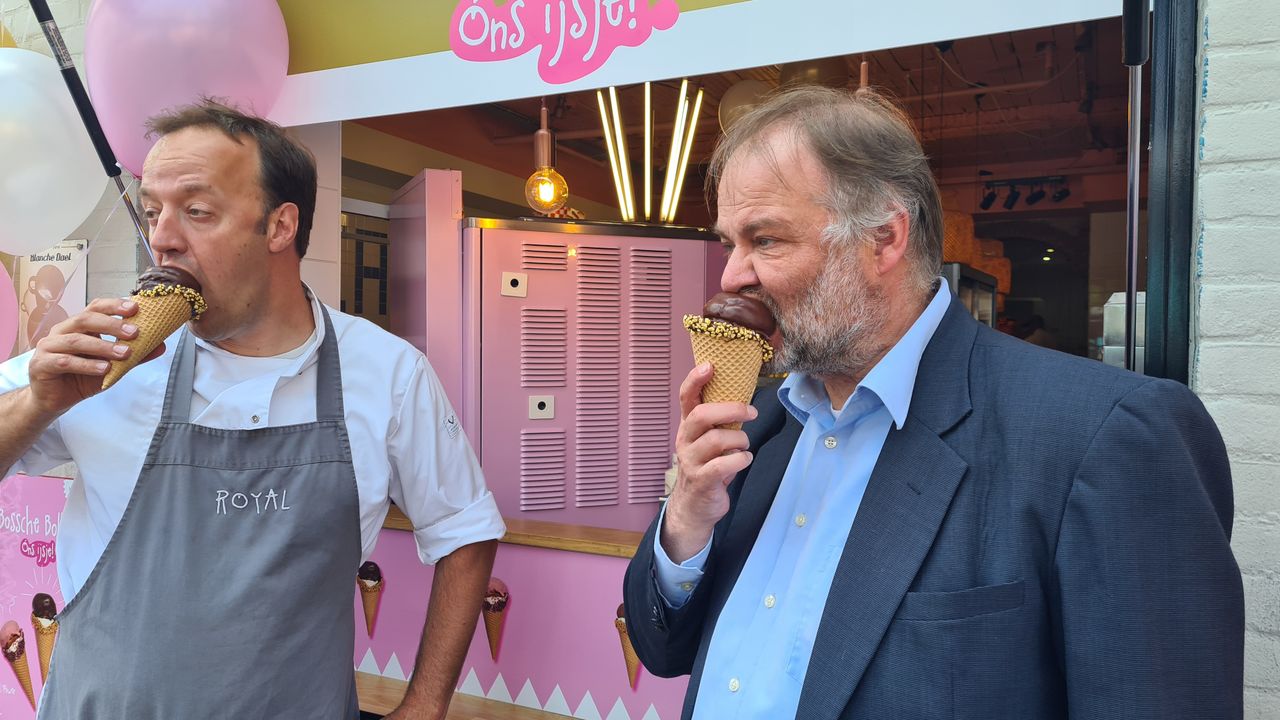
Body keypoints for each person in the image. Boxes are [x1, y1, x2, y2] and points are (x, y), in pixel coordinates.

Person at [622, 86, 1243, 719]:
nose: (730, 276)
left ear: (884, 240)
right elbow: (662, 650)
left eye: (768, 240)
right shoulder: (758, 429)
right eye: (730, 243)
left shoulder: (1103, 436)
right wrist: (686, 522)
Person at [0, 101, 505, 719]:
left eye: (197, 211)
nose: (161, 237)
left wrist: (425, 705)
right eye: (154, 211)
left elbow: (466, 530)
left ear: (279, 226)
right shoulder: (100, 353)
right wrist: (37, 401)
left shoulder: (387, 371)